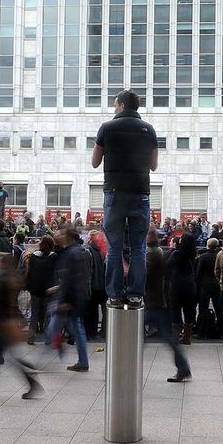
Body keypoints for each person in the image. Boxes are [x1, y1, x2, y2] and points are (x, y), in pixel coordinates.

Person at [92, 89, 158, 309]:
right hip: (140, 193)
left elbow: (95, 161)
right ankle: (136, 294)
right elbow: (154, 165)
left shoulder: (107, 128)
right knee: (139, 247)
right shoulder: (148, 129)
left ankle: (115, 294)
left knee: (114, 247)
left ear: (120, 105)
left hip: (114, 194)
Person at [0, 252, 44, 399]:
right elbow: (12, 304)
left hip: (2, 325)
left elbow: (1, 304)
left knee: (1, 357)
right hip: (6, 323)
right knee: (5, 356)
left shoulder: (1, 280)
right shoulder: (12, 278)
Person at [144, 228, 191, 382]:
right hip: (159, 301)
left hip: (156, 302)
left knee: (138, 334)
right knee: (167, 337)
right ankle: (183, 368)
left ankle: (122, 367)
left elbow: (148, 275)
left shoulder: (153, 252)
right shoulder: (156, 251)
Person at [47, 228, 90, 372]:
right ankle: (81, 361)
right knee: (75, 330)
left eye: (62, 234)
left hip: (69, 299)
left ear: (69, 236)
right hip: (71, 297)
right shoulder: (73, 251)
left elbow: (73, 278)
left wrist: (66, 300)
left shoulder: (73, 253)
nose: (58, 236)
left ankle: (56, 350)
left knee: (57, 328)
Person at [24, 236, 57, 345]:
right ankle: (47, 338)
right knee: (48, 315)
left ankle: (31, 337)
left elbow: (30, 272)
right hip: (48, 290)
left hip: (35, 290)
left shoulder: (33, 256)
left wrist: (28, 286)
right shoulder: (54, 257)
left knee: (34, 314)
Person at [166, 233, 197, 345]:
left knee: (176, 310)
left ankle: (175, 337)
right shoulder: (192, 254)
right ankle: (187, 338)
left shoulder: (177, 253)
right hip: (190, 285)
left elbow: (167, 265)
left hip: (177, 284)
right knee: (188, 310)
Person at [195, 238, 222, 340]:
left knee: (203, 308)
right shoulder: (218, 256)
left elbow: (198, 273)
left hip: (205, 285)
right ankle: (221, 330)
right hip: (216, 284)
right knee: (219, 308)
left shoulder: (203, 257)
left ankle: (202, 332)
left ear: (207, 245)